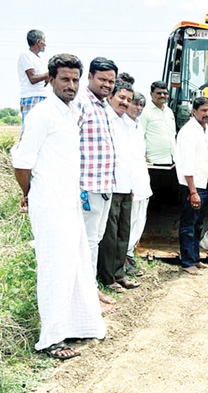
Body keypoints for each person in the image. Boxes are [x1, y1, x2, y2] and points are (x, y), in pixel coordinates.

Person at [12, 53, 106, 359]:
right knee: (55, 269)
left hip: (68, 202)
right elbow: (21, 162)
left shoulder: (68, 112)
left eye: (76, 79)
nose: (71, 85)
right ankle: (51, 339)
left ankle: (76, 326)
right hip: (49, 204)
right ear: (50, 79)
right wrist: (30, 193)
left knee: (75, 266)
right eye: (65, 79)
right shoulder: (42, 114)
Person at [74, 56, 119, 315]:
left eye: (111, 81)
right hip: (86, 186)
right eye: (102, 79)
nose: (107, 85)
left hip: (104, 185)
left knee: (96, 240)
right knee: (87, 242)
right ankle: (87, 299)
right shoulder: (81, 103)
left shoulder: (103, 106)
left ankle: (91, 290)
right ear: (90, 77)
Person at [97, 82, 140, 292]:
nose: (125, 103)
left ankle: (119, 273)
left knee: (123, 232)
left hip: (125, 185)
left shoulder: (127, 123)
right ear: (111, 97)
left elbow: (129, 157)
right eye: (122, 98)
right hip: (110, 185)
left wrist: (132, 185)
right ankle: (107, 278)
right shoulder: (106, 119)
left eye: (129, 100)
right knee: (110, 234)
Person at [175, 97, 208, 275]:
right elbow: (186, 163)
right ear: (194, 111)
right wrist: (193, 191)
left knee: (198, 225)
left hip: (204, 184)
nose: (207, 114)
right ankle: (187, 262)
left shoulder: (207, 130)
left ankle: (196, 258)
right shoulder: (188, 132)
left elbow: (207, 161)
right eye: (203, 111)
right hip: (192, 187)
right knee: (188, 225)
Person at [125, 92, 151, 276]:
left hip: (142, 181)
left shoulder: (138, 127)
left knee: (139, 220)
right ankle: (124, 258)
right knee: (129, 221)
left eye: (141, 105)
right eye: (135, 104)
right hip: (130, 182)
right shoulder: (122, 126)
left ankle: (130, 252)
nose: (138, 108)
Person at [17, 29, 49, 131]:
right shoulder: (25, 54)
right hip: (31, 96)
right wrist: (48, 74)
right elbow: (32, 78)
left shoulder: (38, 58)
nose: (45, 44)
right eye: (44, 41)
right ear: (38, 42)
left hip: (41, 96)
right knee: (30, 129)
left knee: (40, 130)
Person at [139, 81, 176, 165]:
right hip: (155, 161)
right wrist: (143, 156)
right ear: (151, 94)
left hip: (172, 160)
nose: (162, 96)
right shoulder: (145, 112)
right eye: (159, 93)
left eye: (165, 93)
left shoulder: (169, 111)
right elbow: (140, 136)